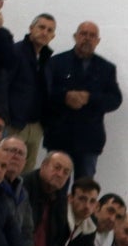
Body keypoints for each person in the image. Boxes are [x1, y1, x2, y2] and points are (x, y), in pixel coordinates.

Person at [45, 22, 122, 179]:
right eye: (83, 34)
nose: (87, 39)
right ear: (75, 36)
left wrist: (90, 98)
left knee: (85, 188)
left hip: (89, 140)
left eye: (92, 36)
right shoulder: (56, 63)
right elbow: (44, 92)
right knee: (53, 184)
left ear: (98, 41)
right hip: (59, 136)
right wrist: (65, 97)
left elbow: (115, 99)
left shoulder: (106, 68)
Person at [7, 13, 56, 173]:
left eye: (49, 30)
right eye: (41, 27)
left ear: (52, 36)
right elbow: (3, 87)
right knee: (7, 167)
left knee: (26, 171)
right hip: (14, 124)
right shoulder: (15, 52)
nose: (44, 32)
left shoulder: (46, 59)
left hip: (36, 126)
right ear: (31, 28)